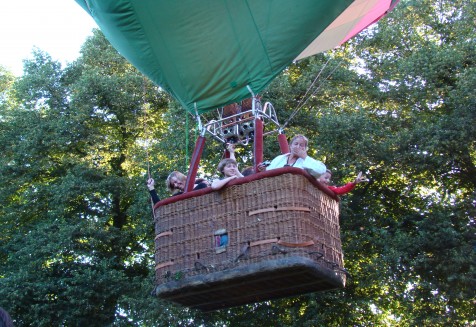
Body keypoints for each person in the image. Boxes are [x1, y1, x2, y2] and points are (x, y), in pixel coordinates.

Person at [257, 134, 326, 177]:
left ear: (305, 149)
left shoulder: (307, 161)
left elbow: (320, 171)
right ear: (290, 146)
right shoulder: (279, 158)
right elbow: (269, 172)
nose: (298, 147)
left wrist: (304, 157)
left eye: (302, 145)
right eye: (296, 144)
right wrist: (264, 169)